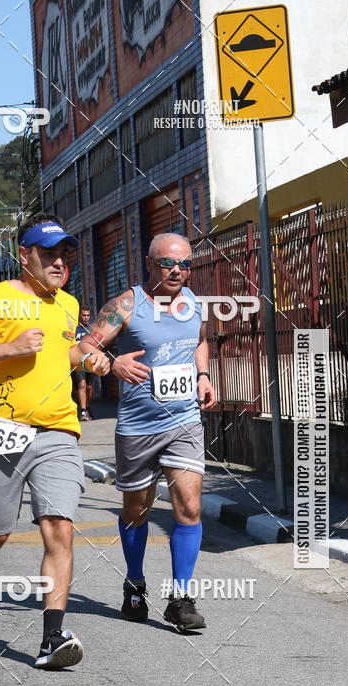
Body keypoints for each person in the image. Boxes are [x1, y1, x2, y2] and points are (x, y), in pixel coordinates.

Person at [0, 213, 109, 669]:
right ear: (25, 256)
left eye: (65, 254)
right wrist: (8, 349)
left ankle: (52, 638)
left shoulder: (68, 305)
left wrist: (91, 358)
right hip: (4, 434)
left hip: (58, 431)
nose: (59, 262)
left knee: (59, 528)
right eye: (49, 254)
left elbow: (65, 353)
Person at [77, 232, 216, 632]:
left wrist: (203, 375)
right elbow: (84, 348)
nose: (178, 271)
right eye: (169, 264)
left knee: (188, 506)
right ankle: (135, 582)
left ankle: (181, 598)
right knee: (136, 510)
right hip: (138, 426)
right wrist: (113, 364)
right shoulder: (127, 304)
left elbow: (200, 342)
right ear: (150, 264)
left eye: (186, 264)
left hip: (184, 420)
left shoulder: (194, 304)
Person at [71, 306, 95, 421]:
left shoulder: (92, 329)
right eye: (83, 315)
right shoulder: (75, 329)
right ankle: (83, 411)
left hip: (91, 361)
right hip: (79, 362)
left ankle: (87, 406)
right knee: (82, 385)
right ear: (79, 316)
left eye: (88, 315)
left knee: (89, 388)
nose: (86, 318)